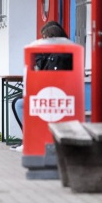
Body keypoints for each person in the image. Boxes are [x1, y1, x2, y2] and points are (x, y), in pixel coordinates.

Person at [12, 20, 70, 152]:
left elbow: (51, 77)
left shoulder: (59, 55)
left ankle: (32, 139)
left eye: (45, 38)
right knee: (18, 101)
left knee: (20, 103)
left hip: (56, 95)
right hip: (51, 92)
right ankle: (28, 138)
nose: (44, 41)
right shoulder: (51, 54)